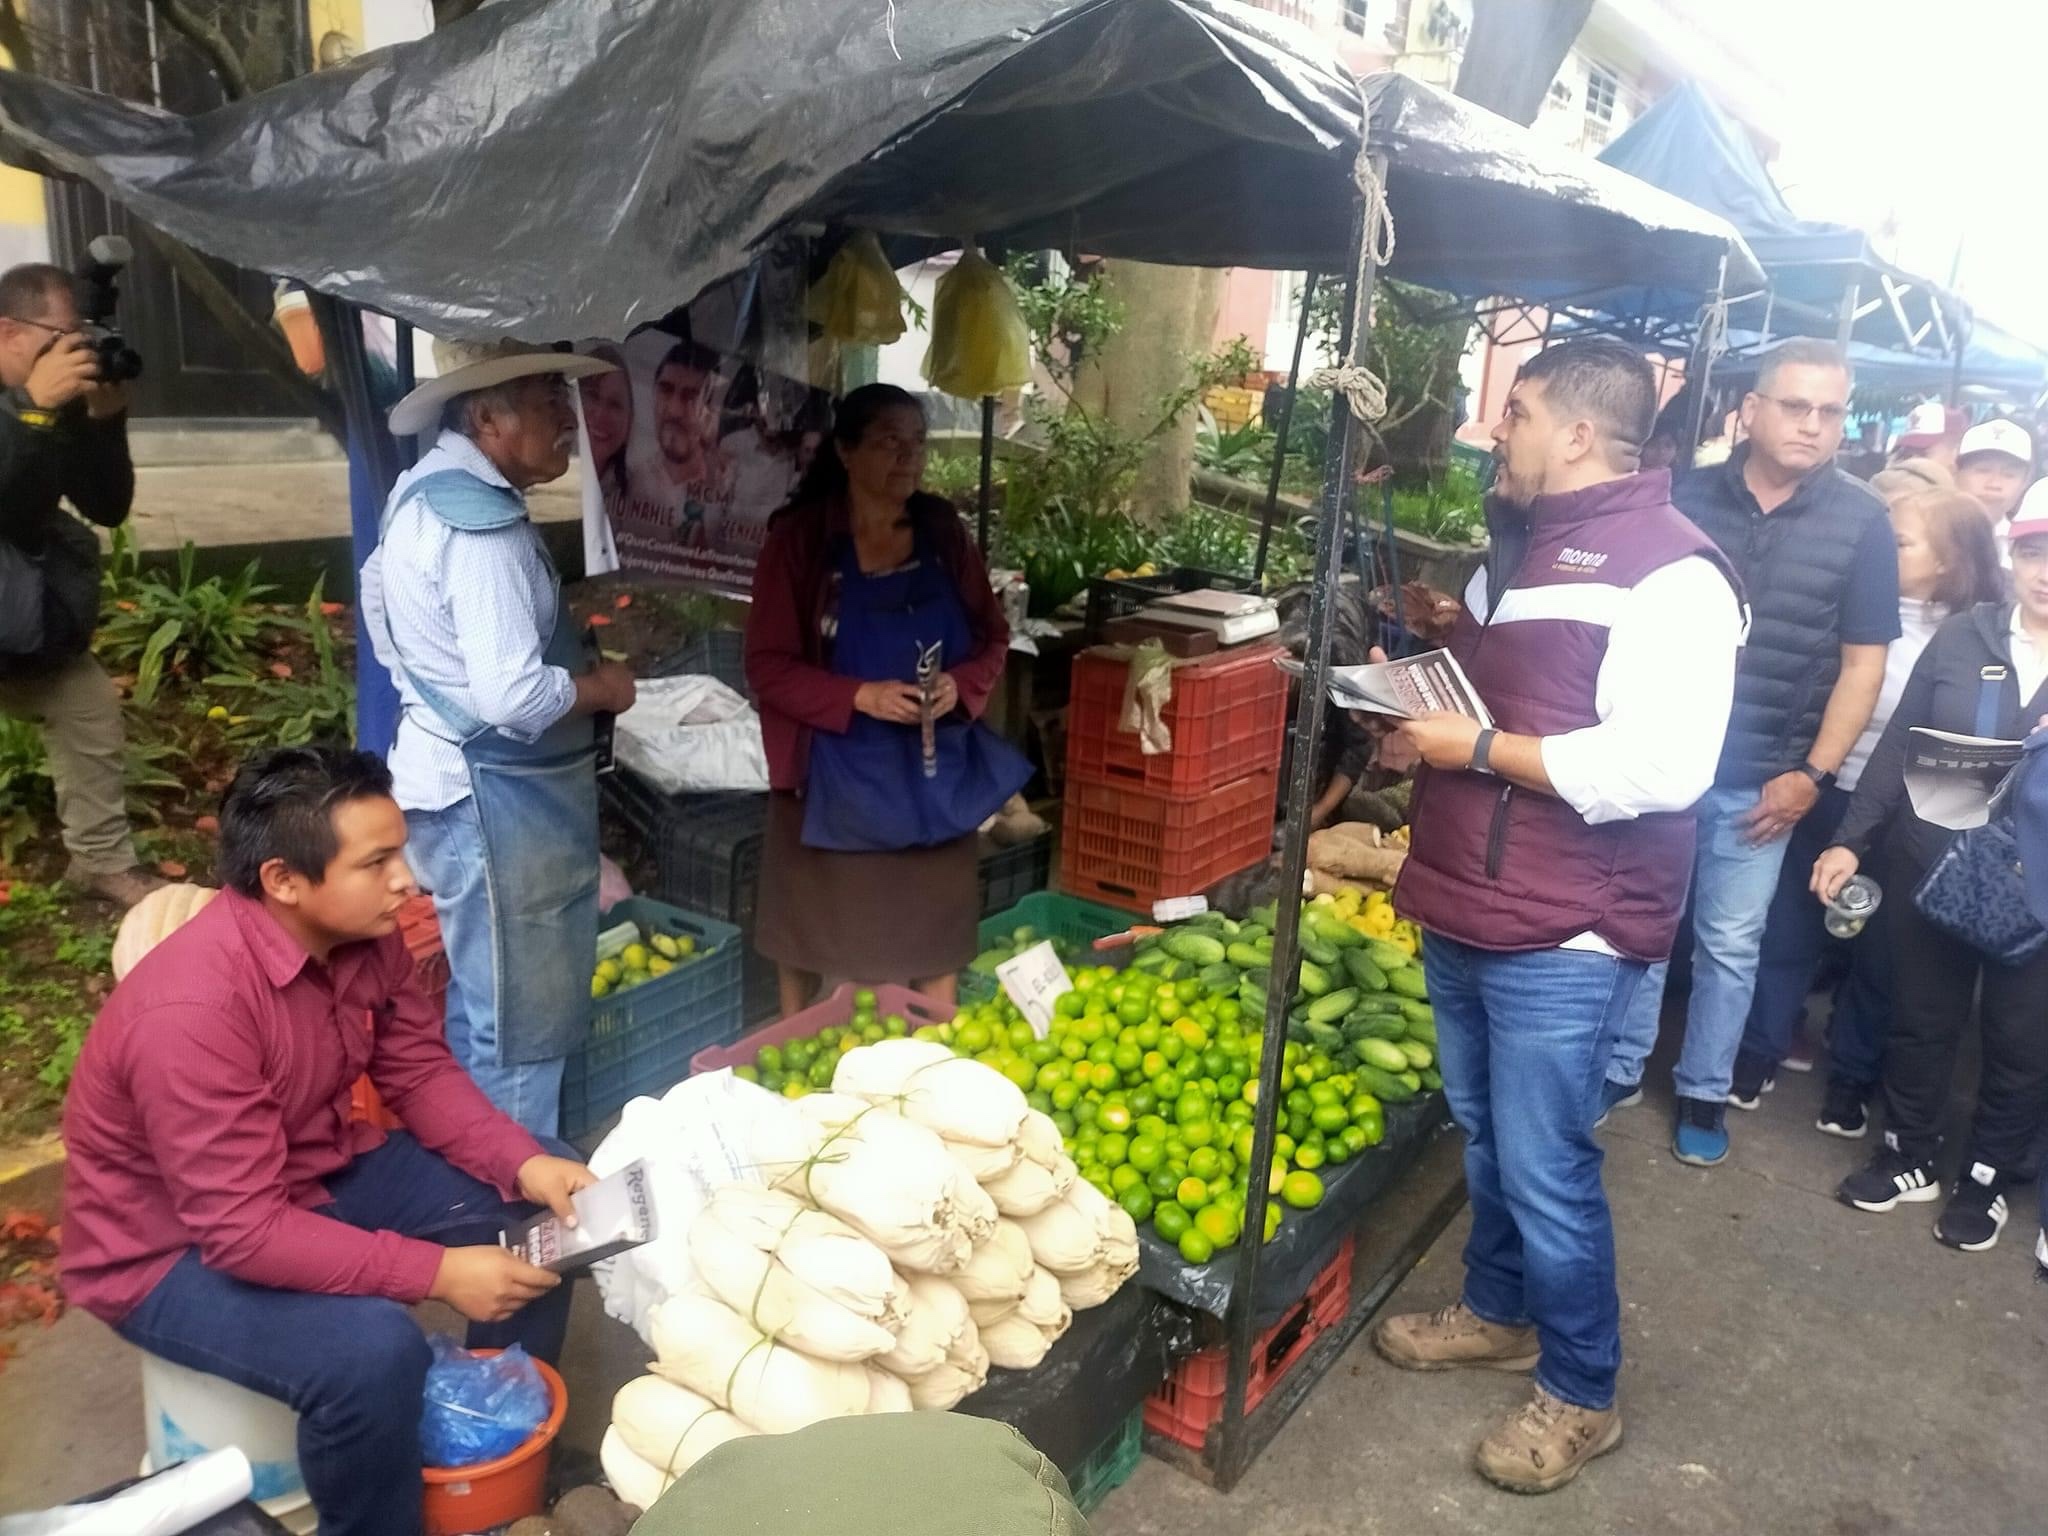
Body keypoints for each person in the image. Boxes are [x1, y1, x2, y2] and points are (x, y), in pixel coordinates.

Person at [1372, 339, 1744, 1495]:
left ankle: (1581, 1392)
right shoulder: (1514, 555)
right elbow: (1511, 704)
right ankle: (1496, 1312)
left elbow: (1661, 767)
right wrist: (1425, 715)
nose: (1497, 430)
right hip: (1467, 895)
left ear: (1578, 433)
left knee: (1543, 1165)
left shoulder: (1674, 576)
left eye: (1517, 411)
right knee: (1488, 1139)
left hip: (1568, 925)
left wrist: (1474, 747)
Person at [59, 746, 595, 1536]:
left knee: (545, 1206)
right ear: (283, 880)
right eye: (376, 863)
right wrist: (438, 1272)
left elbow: (417, 1071)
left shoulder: (364, 932)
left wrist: (524, 1160)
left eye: (400, 852)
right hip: (169, 1251)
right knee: (371, 1354)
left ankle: (491, 1439)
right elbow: (243, 1231)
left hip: (312, 1170)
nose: (406, 881)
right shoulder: (192, 1013)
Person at [1605, 339, 1898, 1168]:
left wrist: (1813, 775)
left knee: (1732, 944)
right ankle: (1620, 1069)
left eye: (1831, 411)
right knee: (1643, 925)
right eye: (1796, 406)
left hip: (1766, 782)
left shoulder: (1863, 522)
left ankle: (1703, 1090)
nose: (1813, 425)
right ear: (1751, 410)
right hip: (1662, 762)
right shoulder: (1682, 495)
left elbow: (1863, 665)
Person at [362, 340, 637, 1135]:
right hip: (489, 800)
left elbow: (379, 611)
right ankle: (515, 1195)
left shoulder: (419, 492)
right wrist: (601, 690)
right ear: (487, 417)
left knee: (488, 1010)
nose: (568, 421)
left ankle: (474, 1173)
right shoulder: (478, 528)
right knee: (521, 1027)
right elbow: (512, 695)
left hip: (453, 782)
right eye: (550, 401)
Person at [745, 384, 1025, 1015]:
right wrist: (860, 696)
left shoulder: (941, 531)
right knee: (809, 931)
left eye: (918, 443)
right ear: (846, 452)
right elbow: (767, 665)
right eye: (889, 443)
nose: (909, 458)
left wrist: (960, 685)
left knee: (934, 938)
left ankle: (934, 1044)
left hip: (931, 771)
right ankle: (800, 1037)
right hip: (830, 773)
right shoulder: (801, 540)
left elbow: (992, 637)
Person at [1730, 490, 2003, 1130]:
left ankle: (1852, 1075)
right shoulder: (1849, 610)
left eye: (1899, 543)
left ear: (1949, 560)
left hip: (1915, 814)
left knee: (1883, 954)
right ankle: (1760, 1047)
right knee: (1788, 928)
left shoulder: (1973, 639)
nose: (1879, 551)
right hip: (1826, 792)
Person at [1816, 506, 2048, 1252]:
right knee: (1921, 1019)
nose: (2046, 573)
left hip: (2038, 882)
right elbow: (1899, 745)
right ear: (2012, 555)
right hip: (1936, 856)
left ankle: (1984, 1178)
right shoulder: (1966, 634)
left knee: (2020, 1041)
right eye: (2035, 551)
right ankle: (1908, 1154)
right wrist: (1852, 840)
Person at [0, 262, 160, 907]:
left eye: (82, 337)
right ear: (9, 331)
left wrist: (103, 421)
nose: (76, 351)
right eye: (62, 336)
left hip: (18, 610)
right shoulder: (35, 399)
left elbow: (106, 507)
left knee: (85, 702)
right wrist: (30, 413)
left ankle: (100, 862)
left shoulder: (47, 397)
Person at [646, 339, 731, 545]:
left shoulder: (734, 488)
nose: (674, 410)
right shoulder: (628, 478)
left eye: (691, 397)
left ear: (712, 411)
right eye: (666, 390)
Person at [1954, 418, 2034, 560]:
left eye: (2009, 475)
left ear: (2024, 483)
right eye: (1983, 470)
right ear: (1956, 473)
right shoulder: (1926, 534)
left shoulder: (2028, 547)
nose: (1994, 484)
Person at [578, 340, 635, 503]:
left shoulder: (641, 491)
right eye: (592, 396)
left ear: (629, 420)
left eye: (615, 404)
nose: (601, 414)